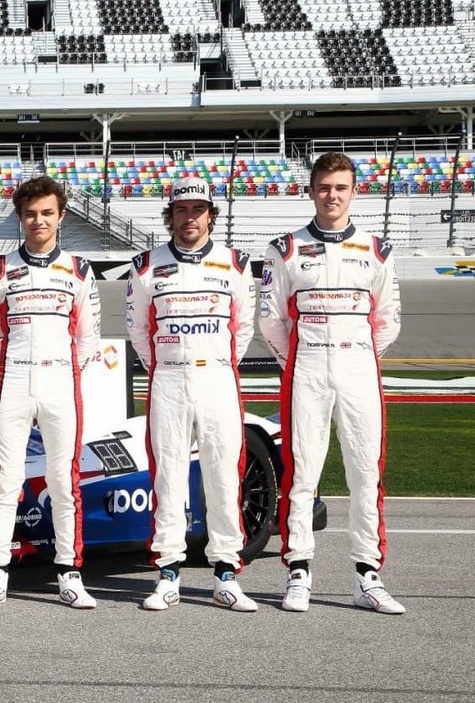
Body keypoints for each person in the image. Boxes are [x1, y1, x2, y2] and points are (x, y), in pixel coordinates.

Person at [258, 151, 404, 614]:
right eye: (324, 187)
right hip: (307, 371)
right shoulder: (285, 248)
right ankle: (298, 571)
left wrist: (357, 354)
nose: (332, 195)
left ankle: (368, 576)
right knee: (303, 472)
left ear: (353, 192)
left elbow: (387, 321)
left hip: (359, 370)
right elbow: (270, 320)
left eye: (340, 187)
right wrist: (299, 359)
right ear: (311, 191)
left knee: (367, 474)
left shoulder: (378, 249)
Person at [124, 176, 258, 613]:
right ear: (171, 216)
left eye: (198, 210)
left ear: (211, 215)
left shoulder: (235, 264)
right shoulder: (145, 265)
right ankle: (167, 573)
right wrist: (164, 363)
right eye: (182, 210)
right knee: (169, 476)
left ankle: (226, 573)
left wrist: (215, 361)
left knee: (223, 475)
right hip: (168, 379)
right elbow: (138, 332)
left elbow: (243, 329)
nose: (190, 218)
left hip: (217, 378)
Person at [0, 175, 101, 610]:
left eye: (47, 213)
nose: (38, 221)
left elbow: (88, 338)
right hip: (13, 383)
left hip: (61, 382)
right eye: (30, 214)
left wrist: (64, 370)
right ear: (20, 218)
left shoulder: (81, 270)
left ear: (61, 216)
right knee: (5, 481)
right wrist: (6, 371)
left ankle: (69, 572)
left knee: (65, 481)